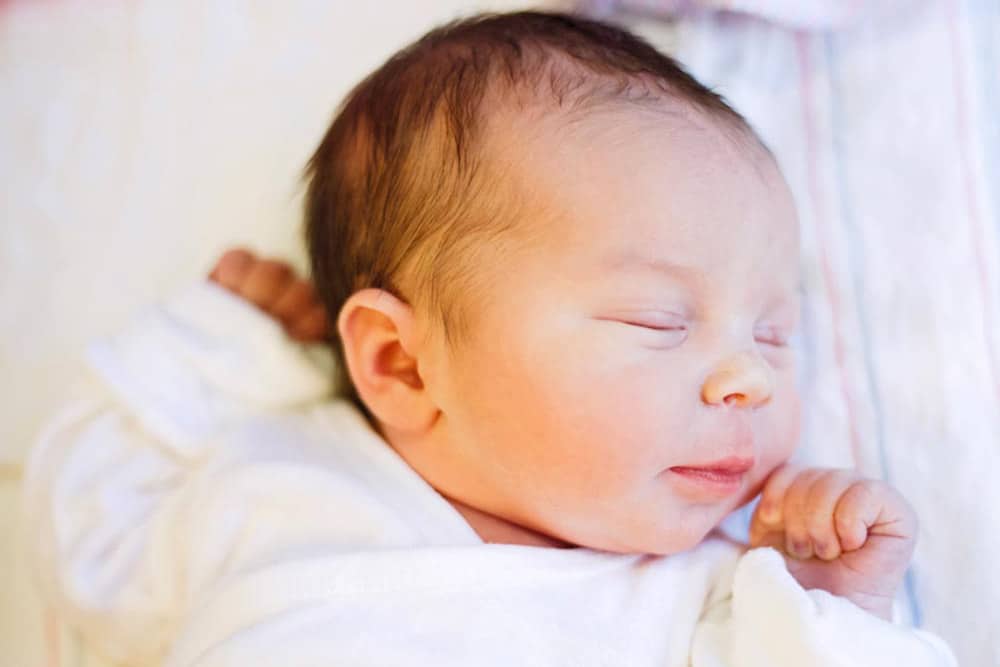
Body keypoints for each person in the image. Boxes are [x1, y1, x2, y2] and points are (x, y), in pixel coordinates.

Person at [22, 11, 956, 666]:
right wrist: (212, 349)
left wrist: (831, 608)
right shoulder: (276, 478)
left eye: (775, 332)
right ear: (398, 361)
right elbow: (88, 535)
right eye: (657, 320)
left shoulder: (721, 593)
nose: (748, 374)